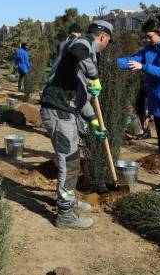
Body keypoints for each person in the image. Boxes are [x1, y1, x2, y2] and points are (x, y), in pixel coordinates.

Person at [39, 20, 113, 229]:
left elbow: (81, 100)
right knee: (70, 162)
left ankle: (68, 201)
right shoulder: (83, 45)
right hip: (58, 111)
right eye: (108, 41)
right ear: (102, 37)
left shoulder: (83, 60)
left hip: (65, 109)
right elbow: (76, 49)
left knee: (71, 160)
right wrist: (95, 77)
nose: (106, 46)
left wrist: (94, 121)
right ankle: (65, 214)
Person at [117, 19, 160, 194]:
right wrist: (105, 61)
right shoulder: (148, 50)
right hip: (157, 103)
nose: (147, 40)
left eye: (150, 36)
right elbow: (130, 60)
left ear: (159, 33)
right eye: (146, 37)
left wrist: (143, 66)